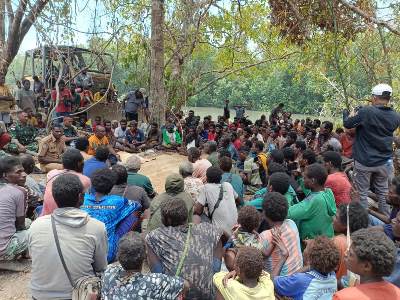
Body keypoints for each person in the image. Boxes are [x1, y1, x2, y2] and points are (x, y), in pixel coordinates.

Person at [28, 174, 108, 300]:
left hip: (39, 295)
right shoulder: (97, 227)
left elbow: (34, 257)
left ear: (54, 197)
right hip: (79, 295)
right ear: (80, 197)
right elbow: (101, 267)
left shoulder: (36, 225)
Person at [146, 198, 223, 300]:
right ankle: (212, 276)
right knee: (218, 242)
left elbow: (157, 272)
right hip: (207, 295)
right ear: (186, 216)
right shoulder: (208, 229)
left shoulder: (155, 236)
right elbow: (224, 234)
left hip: (176, 295)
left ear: (167, 219)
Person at [343, 84, 400, 215]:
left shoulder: (367, 112)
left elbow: (348, 124)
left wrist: (346, 113)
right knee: (383, 193)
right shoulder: (396, 116)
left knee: (361, 193)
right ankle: (386, 220)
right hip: (384, 163)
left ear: (374, 97)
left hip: (365, 162)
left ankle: (364, 222)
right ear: (388, 99)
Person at [102, 231, 186, 299]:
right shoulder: (155, 281)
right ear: (145, 256)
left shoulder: (108, 274)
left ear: (119, 257)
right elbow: (185, 285)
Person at [82, 168, 142, 262]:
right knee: (135, 213)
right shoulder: (117, 200)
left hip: (84, 250)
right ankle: (120, 241)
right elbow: (137, 205)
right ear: (111, 186)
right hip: (107, 254)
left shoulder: (83, 199)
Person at [333, 228, 400, 300]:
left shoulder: (343, 297)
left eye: (350, 254)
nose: (345, 254)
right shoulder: (397, 293)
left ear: (366, 266)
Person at [274, 236, 339, 299]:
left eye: (306, 248)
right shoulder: (332, 275)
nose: (304, 250)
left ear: (310, 259)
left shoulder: (301, 280)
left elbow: (271, 282)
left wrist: (284, 256)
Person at [288, 163, 337, 241]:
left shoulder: (314, 200)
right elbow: (309, 190)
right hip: (326, 238)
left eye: (304, 178)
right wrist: (302, 177)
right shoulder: (327, 192)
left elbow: (289, 213)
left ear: (313, 181)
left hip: (313, 243)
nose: (303, 180)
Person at [260, 192, 303, 276]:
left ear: (264, 214)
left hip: (278, 282)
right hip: (297, 275)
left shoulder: (265, 236)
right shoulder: (291, 224)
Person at [0, 157, 29, 271]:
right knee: (36, 231)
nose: (24, 174)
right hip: (3, 247)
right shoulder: (19, 192)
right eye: (19, 172)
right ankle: (5, 259)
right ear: (5, 175)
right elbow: (20, 225)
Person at [41, 149, 91, 216]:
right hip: (71, 218)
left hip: (47, 216)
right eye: (83, 162)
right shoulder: (85, 180)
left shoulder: (51, 174)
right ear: (79, 163)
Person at [194, 166, 238, 235]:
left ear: (207, 178)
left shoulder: (205, 188)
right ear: (221, 178)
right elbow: (238, 200)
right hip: (235, 231)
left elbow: (197, 211)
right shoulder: (228, 185)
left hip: (221, 235)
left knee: (197, 216)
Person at [332, 202, 369, 280]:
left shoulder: (339, 242)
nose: (332, 218)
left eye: (336, 217)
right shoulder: (363, 242)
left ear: (345, 225)